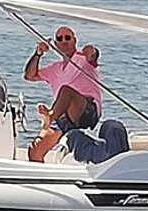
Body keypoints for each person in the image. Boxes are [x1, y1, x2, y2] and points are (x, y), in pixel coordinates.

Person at [24, 25, 101, 162]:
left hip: (87, 110)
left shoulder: (82, 59)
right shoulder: (55, 68)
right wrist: (38, 53)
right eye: (60, 38)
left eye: (68, 38)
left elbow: (93, 56)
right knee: (35, 150)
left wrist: (92, 52)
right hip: (64, 115)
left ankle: (51, 116)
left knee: (66, 90)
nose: (64, 41)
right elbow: (29, 76)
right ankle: (43, 180)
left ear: (74, 40)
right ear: (56, 44)